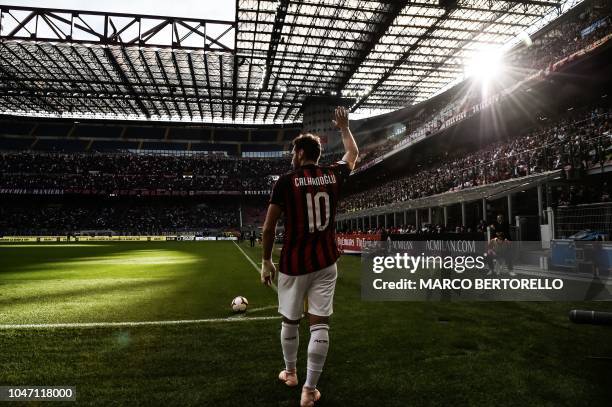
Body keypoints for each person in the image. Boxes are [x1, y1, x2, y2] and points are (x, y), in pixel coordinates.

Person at [260, 106, 358, 407]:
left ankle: (290, 374)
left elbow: (268, 227)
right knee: (320, 324)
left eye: (293, 152)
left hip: (293, 263)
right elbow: (353, 154)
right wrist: (343, 127)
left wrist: (266, 261)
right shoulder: (332, 176)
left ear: (301, 154)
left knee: (290, 321)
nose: (292, 157)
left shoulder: (286, 182)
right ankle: (309, 390)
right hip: (326, 261)